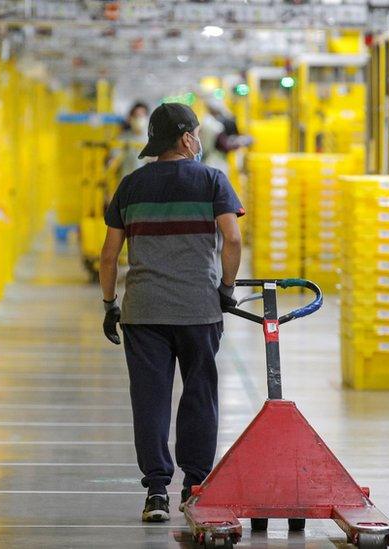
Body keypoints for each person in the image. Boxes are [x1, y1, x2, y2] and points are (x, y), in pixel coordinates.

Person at [98, 102, 245, 523]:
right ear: (186, 138)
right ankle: (195, 488)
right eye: (196, 132)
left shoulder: (131, 186)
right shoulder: (213, 180)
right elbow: (232, 241)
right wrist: (227, 289)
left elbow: (109, 256)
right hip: (199, 308)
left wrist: (110, 305)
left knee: (150, 399)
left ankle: (157, 492)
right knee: (199, 395)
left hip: (143, 312)